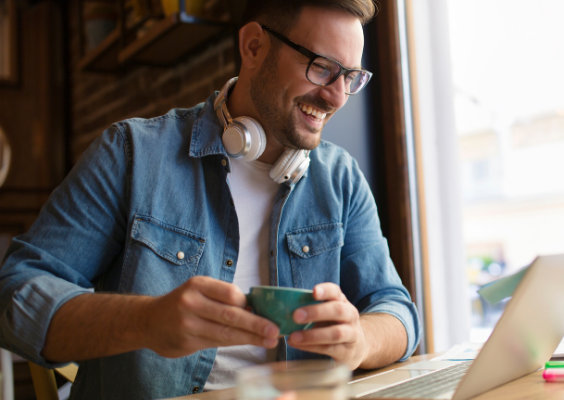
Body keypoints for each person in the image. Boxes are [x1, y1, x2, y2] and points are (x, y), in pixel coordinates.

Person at [0, 0, 420, 398]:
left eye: (350, 77)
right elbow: (14, 295)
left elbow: (397, 311)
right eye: (322, 67)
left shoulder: (341, 178)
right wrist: (146, 322)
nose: (337, 96)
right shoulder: (131, 154)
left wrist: (361, 339)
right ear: (253, 47)